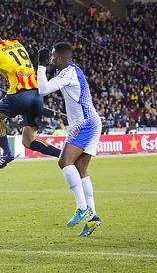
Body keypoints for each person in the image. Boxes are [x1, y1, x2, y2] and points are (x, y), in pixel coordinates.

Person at [0, 30, 61, 170]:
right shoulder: (16, 44)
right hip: (38, 95)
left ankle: (6, 152)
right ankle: (62, 154)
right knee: (29, 141)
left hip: (20, 94)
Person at [37, 43, 102, 237]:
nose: (51, 60)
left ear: (59, 59)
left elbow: (43, 89)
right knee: (81, 169)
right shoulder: (71, 71)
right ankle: (93, 218)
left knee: (64, 161)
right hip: (90, 121)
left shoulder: (68, 72)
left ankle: (83, 208)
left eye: (53, 57)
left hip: (85, 123)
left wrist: (41, 66)